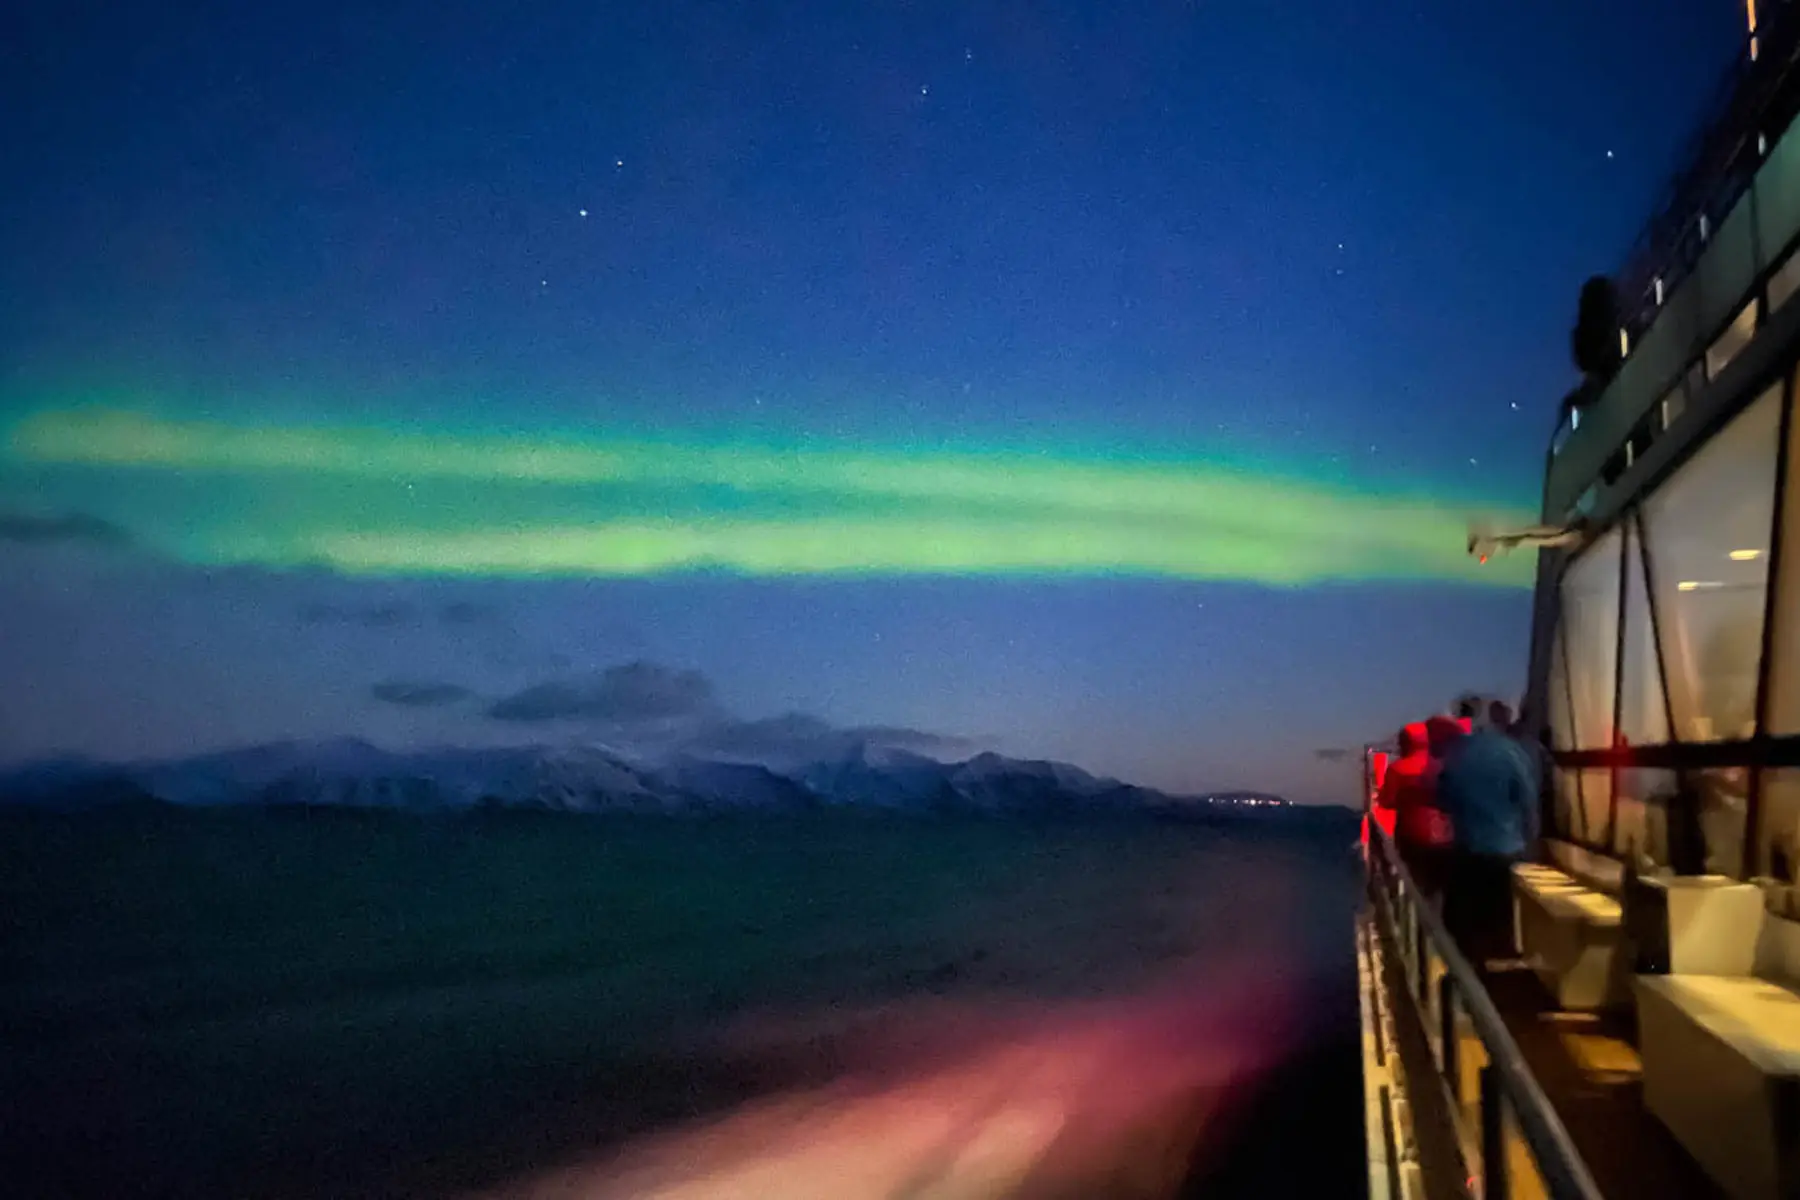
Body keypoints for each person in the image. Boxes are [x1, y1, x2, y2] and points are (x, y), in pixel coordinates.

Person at [1436, 700, 1540, 968]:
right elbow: (1528, 801)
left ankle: (1466, 970)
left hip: (1466, 847)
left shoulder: (1456, 752)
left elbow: (1443, 797)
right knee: (1500, 917)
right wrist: (1532, 844)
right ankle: (1496, 970)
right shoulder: (1513, 752)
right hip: (1506, 850)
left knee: (1464, 923)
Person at [1376, 721, 1455, 902]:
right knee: (1438, 885)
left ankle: (1415, 923)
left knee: (1414, 883)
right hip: (1444, 837)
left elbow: (1386, 801)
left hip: (1411, 835)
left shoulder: (1397, 769)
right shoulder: (1442, 766)